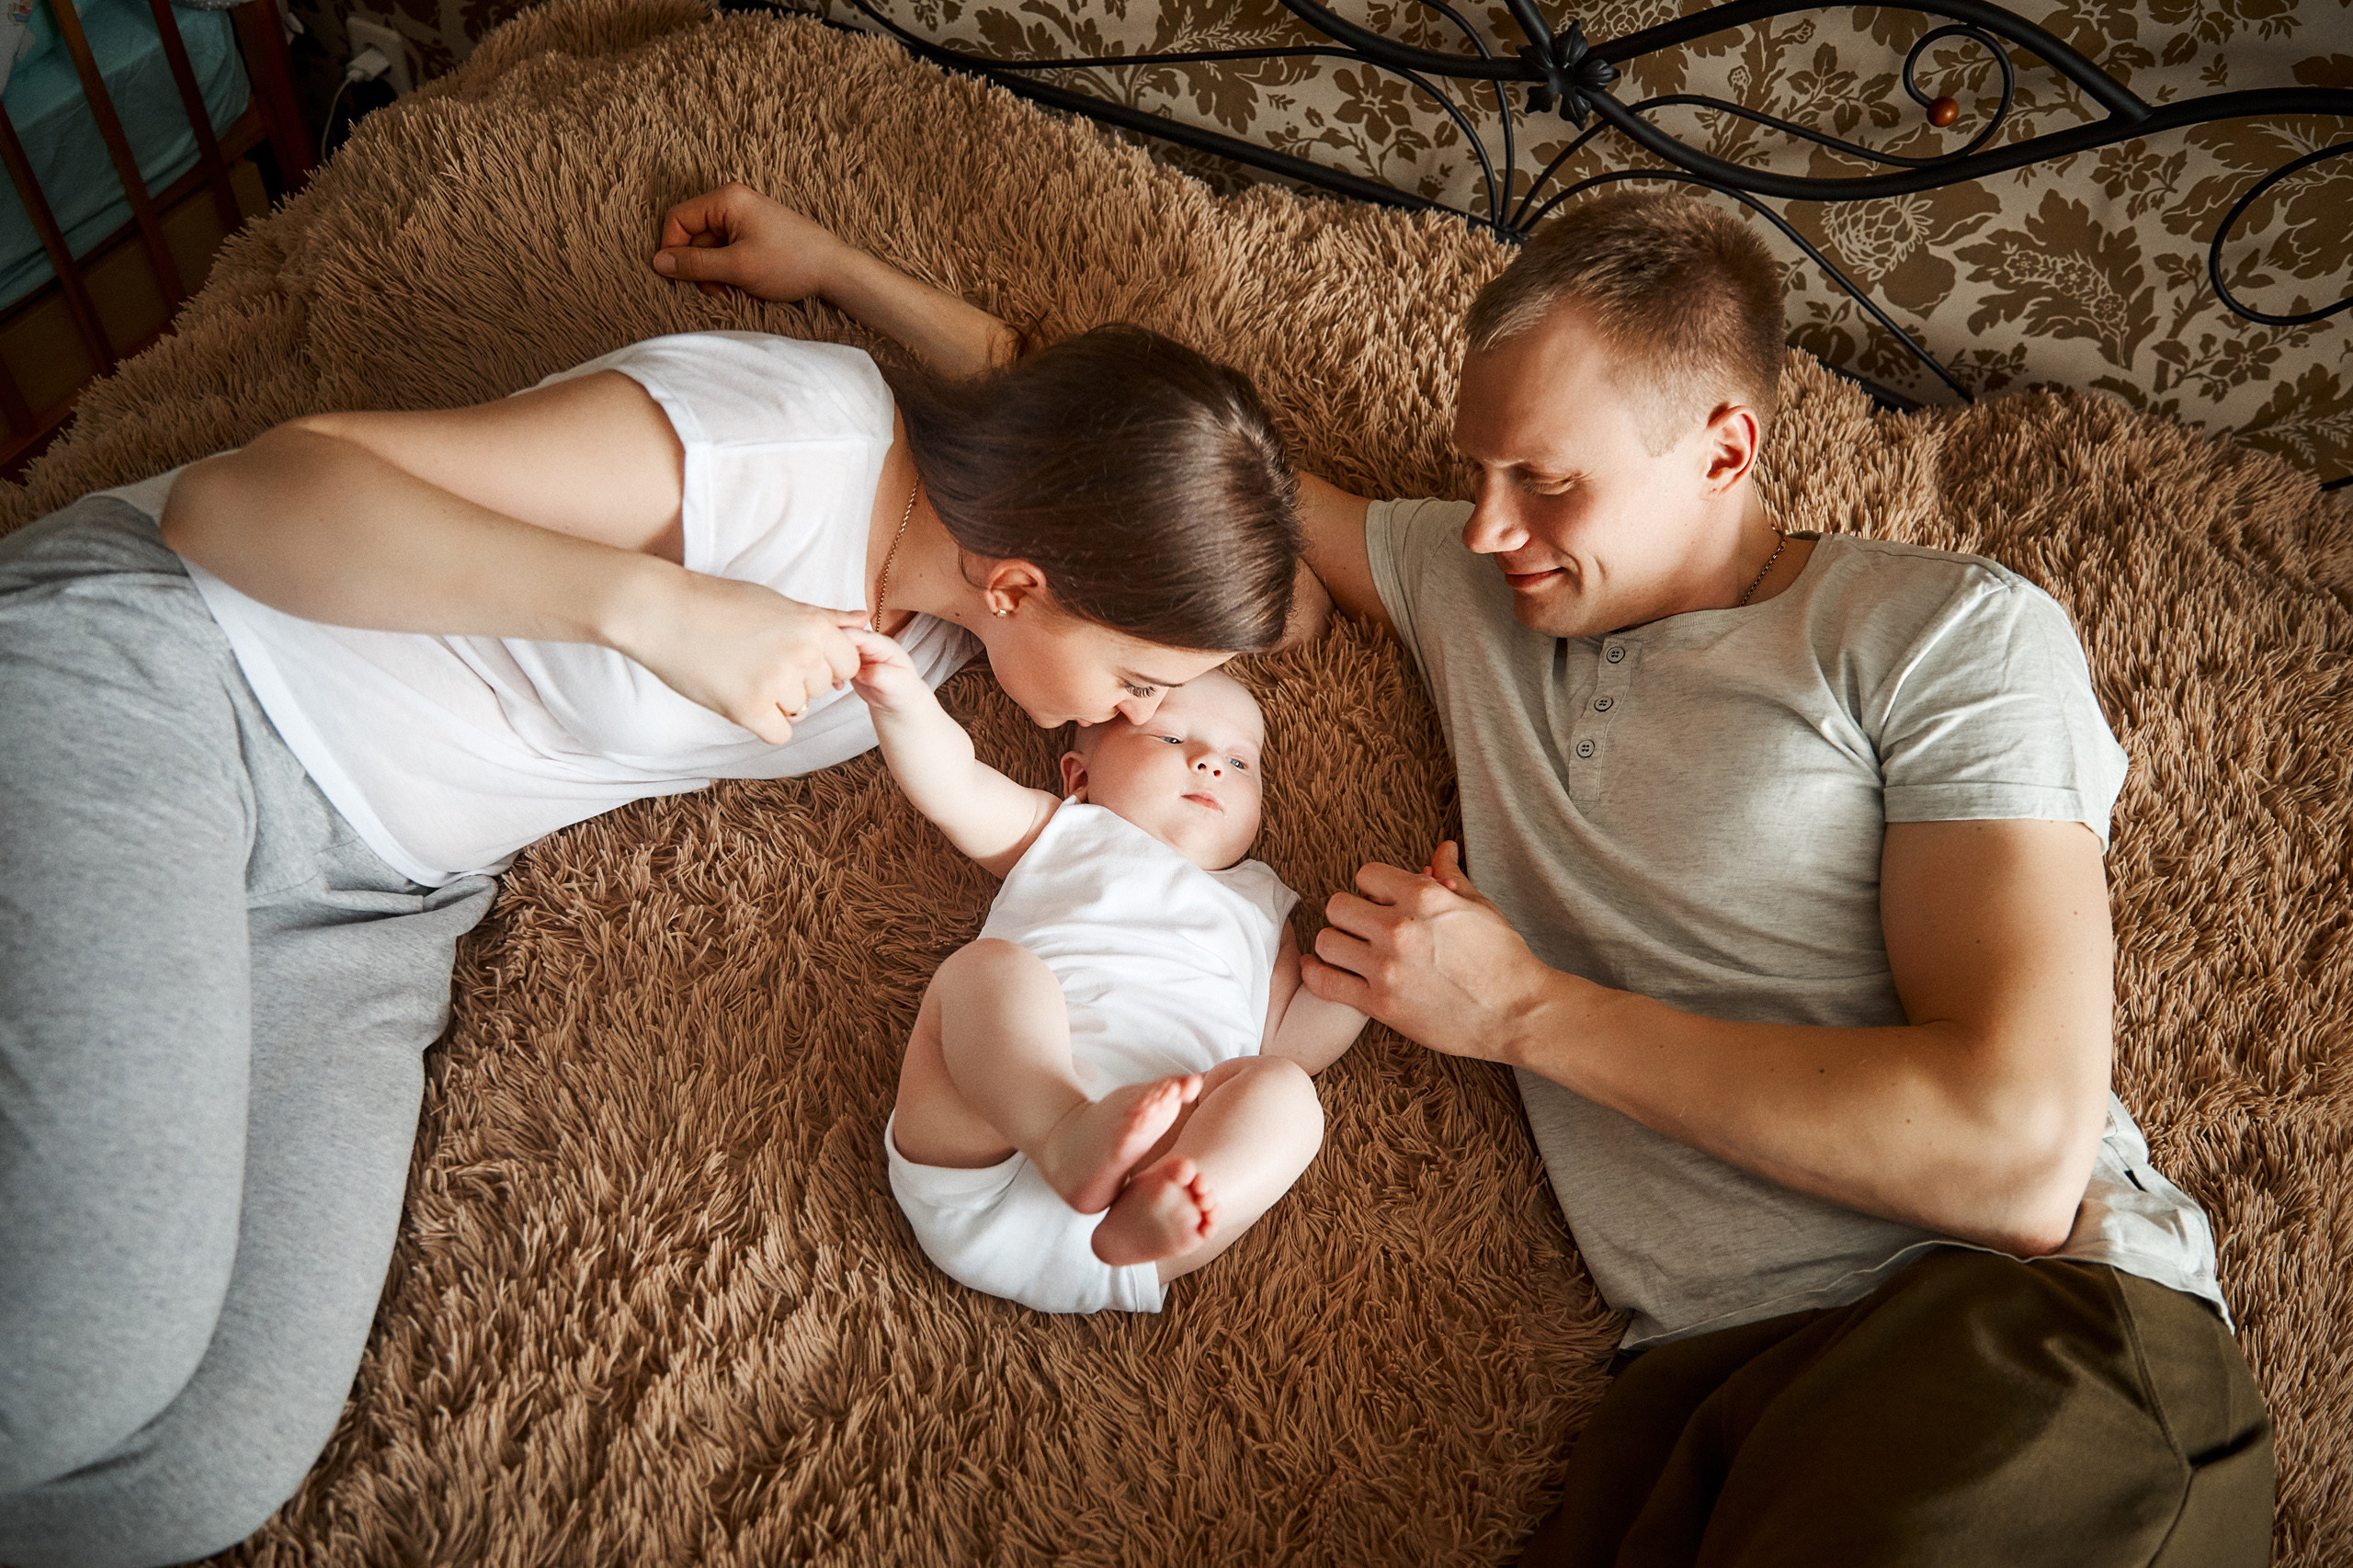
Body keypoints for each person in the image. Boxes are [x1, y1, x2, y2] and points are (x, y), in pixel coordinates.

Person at [665, 185, 2273, 1563]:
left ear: (1728, 445)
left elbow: (2011, 1157)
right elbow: (1138, 474)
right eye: (1477, 472)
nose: (1490, 528)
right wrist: (843, 272)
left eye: (1548, 483)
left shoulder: (1944, 634)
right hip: (1691, 1391)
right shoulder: (1471, 581)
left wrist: (1525, 1012)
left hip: (2007, 1330)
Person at [0, 190, 1304, 1567]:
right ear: (1025, 581)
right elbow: (240, 500)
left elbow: (1088, 433)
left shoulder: (957, 624)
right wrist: (654, 607)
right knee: (78, 1364)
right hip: (185, 678)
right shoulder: (777, 442)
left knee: (193, 1475)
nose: (1140, 718)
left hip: (375, 895)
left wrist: (849, 268)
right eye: (1142, 681)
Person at [850, 643, 1364, 1314]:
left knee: (1288, 1094)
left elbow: (1289, 1042)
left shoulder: (1265, 906)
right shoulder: (1064, 831)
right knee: (991, 972)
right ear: (1079, 776)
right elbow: (956, 787)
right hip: (988, 1150)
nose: (1210, 762)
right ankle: (1062, 1127)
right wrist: (904, 705)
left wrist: (1369, 978)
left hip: (1136, 1213)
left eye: (1240, 762)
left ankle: (1187, 1194)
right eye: (1170, 737)